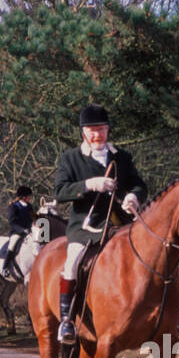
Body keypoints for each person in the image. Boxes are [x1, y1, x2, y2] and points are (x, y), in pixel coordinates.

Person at [52, 105, 149, 344]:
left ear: (108, 130)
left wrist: (133, 196)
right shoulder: (70, 159)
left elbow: (139, 184)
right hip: (86, 225)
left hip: (121, 223)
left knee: (153, 253)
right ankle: (66, 320)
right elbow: (60, 192)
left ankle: (167, 313)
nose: (98, 135)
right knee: (73, 261)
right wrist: (88, 185)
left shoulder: (122, 157)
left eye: (102, 130)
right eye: (92, 131)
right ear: (84, 132)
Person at [0, 185, 34, 281]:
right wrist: (22, 230)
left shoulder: (29, 206)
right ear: (23, 196)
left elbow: (33, 219)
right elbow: (12, 222)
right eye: (29, 196)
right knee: (12, 244)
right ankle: (4, 267)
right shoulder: (13, 206)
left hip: (29, 232)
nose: (30, 198)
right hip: (17, 232)